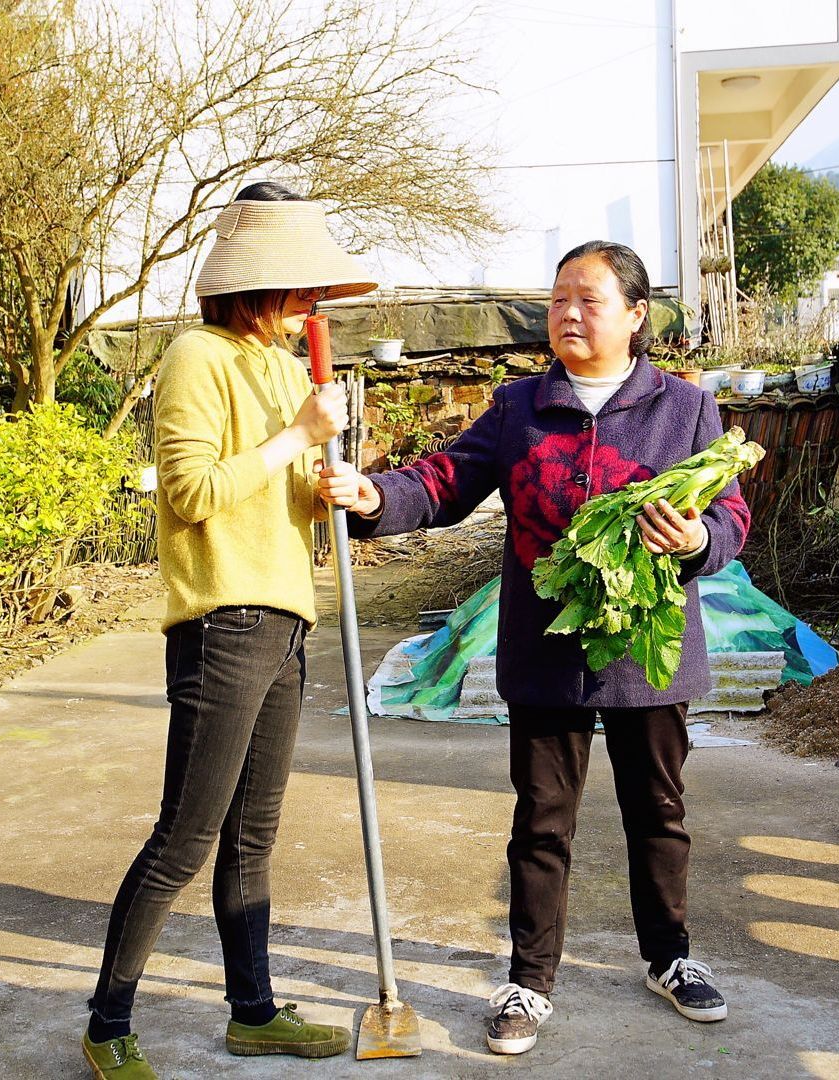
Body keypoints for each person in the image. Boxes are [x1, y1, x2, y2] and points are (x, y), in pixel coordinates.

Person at [318, 241, 750, 1056]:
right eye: (558, 300)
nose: (569, 314)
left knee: (658, 812)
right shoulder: (521, 407)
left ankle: (670, 959)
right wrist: (378, 494)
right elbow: (445, 480)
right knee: (542, 820)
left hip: (645, 650)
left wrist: (698, 537)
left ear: (635, 315)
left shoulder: (685, 409)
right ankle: (529, 980)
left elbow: (731, 515)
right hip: (546, 647)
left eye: (588, 299)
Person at [82, 182, 376, 1079]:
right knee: (184, 835)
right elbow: (192, 494)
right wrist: (294, 438)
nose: (312, 309)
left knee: (255, 838)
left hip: (288, 621)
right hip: (223, 621)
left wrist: (334, 483)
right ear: (263, 284)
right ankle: (106, 1025)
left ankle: (253, 1012)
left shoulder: (292, 373)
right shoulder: (195, 357)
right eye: (302, 291)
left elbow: (282, 497)